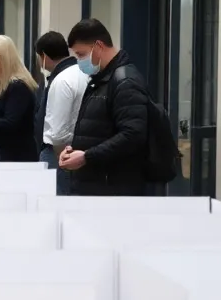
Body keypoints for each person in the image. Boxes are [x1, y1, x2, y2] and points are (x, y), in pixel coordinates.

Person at [60, 18, 152, 196]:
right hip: (96, 183)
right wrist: (74, 151)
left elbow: (133, 135)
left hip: (112, 187)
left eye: (81, 54)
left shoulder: (125, 81)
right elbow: (97, 129)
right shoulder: (101, 80)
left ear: (99, 46)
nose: (79, 61)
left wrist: (87, 156)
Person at [35, 31, 89, 194]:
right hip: (76, 151)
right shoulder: (82, 74)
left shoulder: (61, 80)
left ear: (43, 56)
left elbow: (57, 131)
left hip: (59, 153)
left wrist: (61, 158)